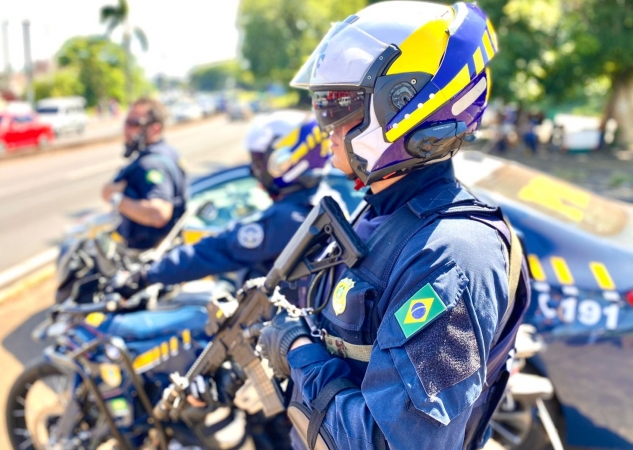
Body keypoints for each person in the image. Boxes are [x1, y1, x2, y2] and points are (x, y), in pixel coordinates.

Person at [258, 3, 530, 450]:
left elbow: (392, 442)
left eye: (337, 105)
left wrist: (298, 352)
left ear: (402, 104)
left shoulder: (454, 256)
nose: (323, 123)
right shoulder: (382, 215)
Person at [110, 110, 333, 449]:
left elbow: (215, 249)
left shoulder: (286, 218)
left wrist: (145, 275)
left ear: (284, 160)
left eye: (260, 161)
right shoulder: (317, 204)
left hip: (284, 357)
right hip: (298, 349)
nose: (255, 169)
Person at [102, 97, 187, 251]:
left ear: (155, 128)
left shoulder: (152, 164)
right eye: (126, 122)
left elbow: (159, 214)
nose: (126, 129)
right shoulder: (168, 152)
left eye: (134, 123)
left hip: (148, 258)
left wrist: (116, 198)